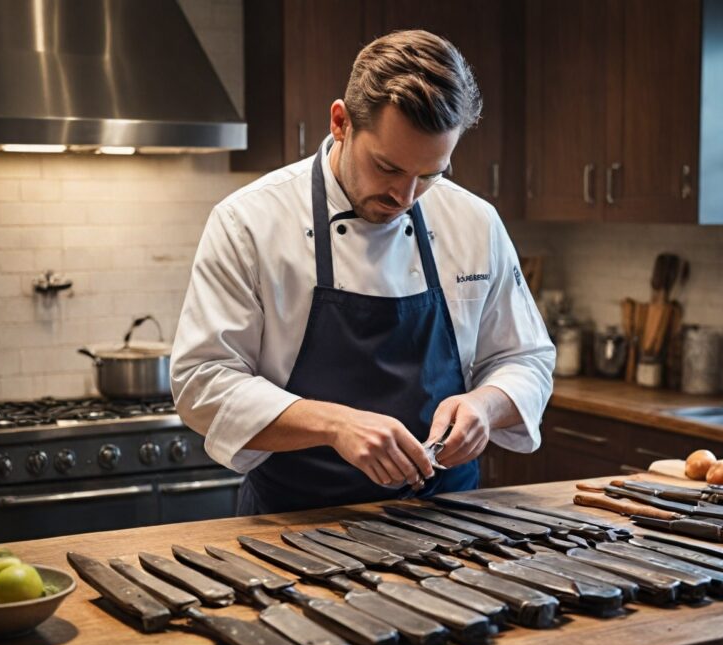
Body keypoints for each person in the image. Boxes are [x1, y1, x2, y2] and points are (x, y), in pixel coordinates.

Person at [171, 29, 555, 515]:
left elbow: (526, 357)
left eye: (431, 174)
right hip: (297, 523)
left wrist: (486, 405)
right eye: (387, 167)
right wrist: (335, 425)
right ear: (340, 123)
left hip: (450, 519)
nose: (405, 196)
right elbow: (202, 380)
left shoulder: (475, 222)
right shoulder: (249, 221)